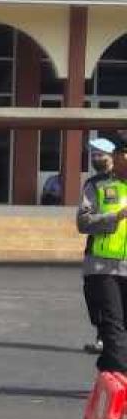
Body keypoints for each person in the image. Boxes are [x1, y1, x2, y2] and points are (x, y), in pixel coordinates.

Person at [78, 132, 127, 374]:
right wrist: (114, 217)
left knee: (119, 334)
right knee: (113, 328)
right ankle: (120, 384)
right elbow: (83, 223)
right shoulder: (96, 185)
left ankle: (108, 376)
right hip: (103, 267)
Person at [82, 137, 118, 355]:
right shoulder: (93, 184)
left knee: (113, 303)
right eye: (93, 154)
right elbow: (84, 220)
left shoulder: (122, 183)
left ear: (113, 157)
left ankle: (109, 341)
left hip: (119, 253)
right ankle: (103, 336)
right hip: (96, 251)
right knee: (94, 297)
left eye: (100, 154)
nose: (96, 158)